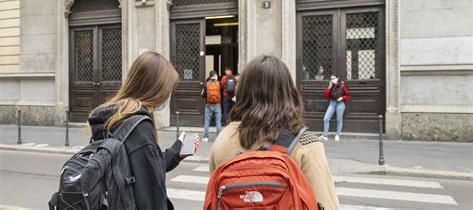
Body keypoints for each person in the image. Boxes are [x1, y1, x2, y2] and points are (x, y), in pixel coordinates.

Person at [209, 55, 340, 210]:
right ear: (287, 91)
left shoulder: (223, 140)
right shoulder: (306, 143)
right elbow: (326, 204)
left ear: (243, 91)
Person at [88, 51, 199, 210]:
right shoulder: (139, 126)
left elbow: (137, 169)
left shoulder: (110, 116)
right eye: (166, 91)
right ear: (155, 89)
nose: (166, 97)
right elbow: (151, 190)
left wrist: (176, 152)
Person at [319, 74, 350, 142]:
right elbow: (325, 96)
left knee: (339, 120)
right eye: (331, 79)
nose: (333, 80)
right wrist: (329, 87)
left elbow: (347, 95)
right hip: (332, 103)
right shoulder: (331, 86)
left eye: (334, 78)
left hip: (340, 104)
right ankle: (325, 135)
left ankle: (337, 135)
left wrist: (342, 98)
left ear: (337, 78)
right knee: (326, 119)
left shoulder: (342, 86)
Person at [202, 70, 222, 143]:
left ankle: (206, 137)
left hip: (209, 105)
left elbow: (203, 95)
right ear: (215, 75)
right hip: (217, 104)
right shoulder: (219, 83)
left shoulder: (207, 84)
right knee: (218, 121)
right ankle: (219, 138)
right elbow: (221, 92)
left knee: (207, 121)